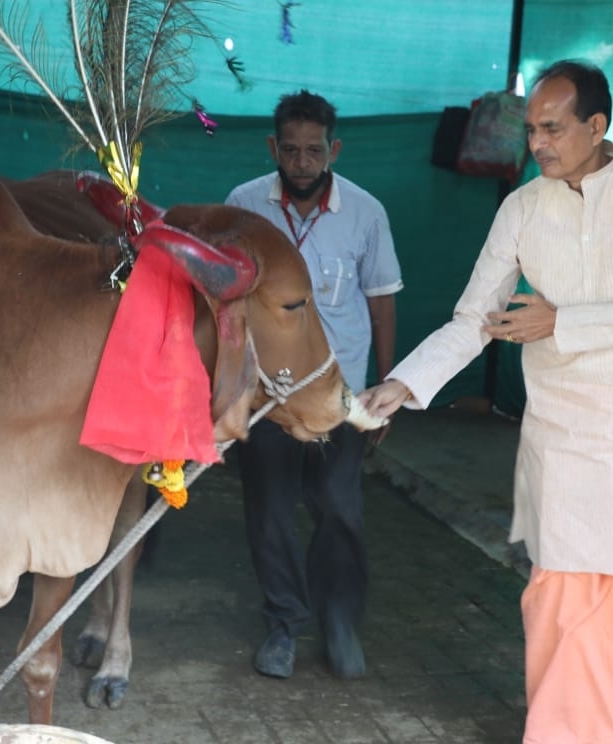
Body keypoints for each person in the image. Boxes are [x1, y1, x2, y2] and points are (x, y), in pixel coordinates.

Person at [359, 61, 613, 742]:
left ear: (597, 127)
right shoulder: (522, 207)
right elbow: (475, 318)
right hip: (565, 430)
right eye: (531, 129)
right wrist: (403, 384)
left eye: (552, 128)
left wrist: (559, 320)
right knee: (562, 592)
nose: (537, 143)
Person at [225, 89, 403, 680]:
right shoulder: (243, 205)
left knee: (339, 511)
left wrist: (386, 385)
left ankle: (340, 623)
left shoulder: (366, 212)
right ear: (274, 147)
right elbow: (224, 307)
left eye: (314, 150)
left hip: (341, 394)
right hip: (269, 398)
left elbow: (380, 303)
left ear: (334, 149)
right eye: (292, 150)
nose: (302, 162)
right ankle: (283, 626)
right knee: (270, 514)